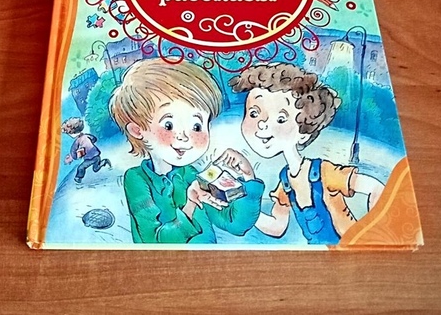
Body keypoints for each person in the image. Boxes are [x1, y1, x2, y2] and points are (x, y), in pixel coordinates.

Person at [109, 58, 264, 244]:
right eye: (169, 125)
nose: (184, 137)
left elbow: (235, 223)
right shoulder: (136, 179)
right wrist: (190, 205)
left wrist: (248, 177)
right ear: (137, 130)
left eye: (196, 126)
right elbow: (153, 242)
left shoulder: (190, 174)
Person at [227, 62, 385, 244]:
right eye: (254, 113)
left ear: (303, 133)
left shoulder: (325, 173)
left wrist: (371, 233)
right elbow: (277, 227)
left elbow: (376, 188)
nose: (262, 124)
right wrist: (240, 200)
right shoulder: (285, 182)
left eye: (281, 119)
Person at [61, 117, 111, 184]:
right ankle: (104, 162)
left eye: (69, 132)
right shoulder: (86, 135)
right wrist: (90, 144)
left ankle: (78, 178)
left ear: (72, 133)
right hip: (96, 155)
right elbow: (94, 138)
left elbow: (73, 151)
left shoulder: (77, 141)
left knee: (81, 167)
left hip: (90, 158)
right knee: (95, 169)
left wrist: (73, 157)